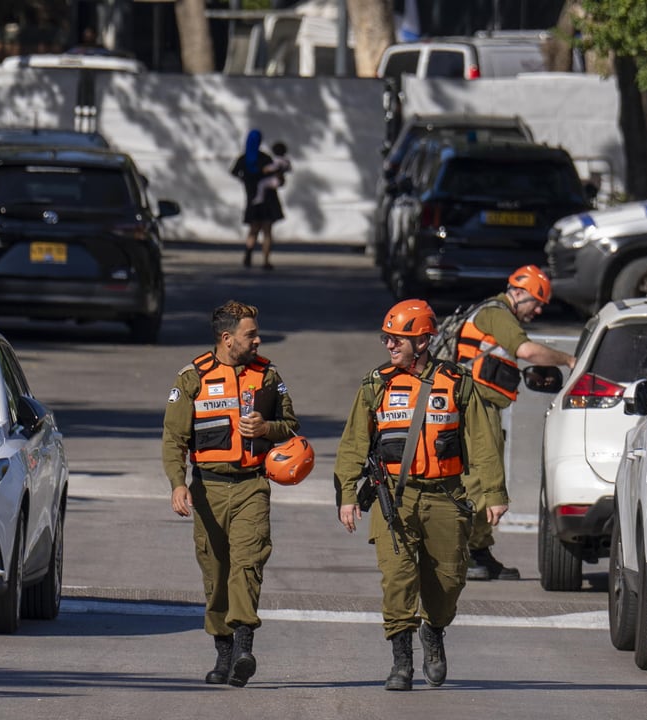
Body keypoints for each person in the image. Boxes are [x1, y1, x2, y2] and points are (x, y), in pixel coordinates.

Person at [334, 299, 508, 691]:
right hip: (393, 499)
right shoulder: (375, 385)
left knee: (447, 583)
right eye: (387, 338)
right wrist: (347, 493)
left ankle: (435, 631)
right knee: (397, 579)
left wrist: (494, 492)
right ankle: (401, 663)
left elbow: (482, 440)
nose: (390, 346)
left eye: (399, 339)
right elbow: (352, 444)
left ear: (425, 341)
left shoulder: (457, 382)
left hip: (446, 497)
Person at [162, 300, 300, 687]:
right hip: (207, 489)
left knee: (247, 564)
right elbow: (174, 438)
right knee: (216, 573)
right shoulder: (193, 378)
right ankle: (223, 653)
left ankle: (243, 645)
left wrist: (267, 429)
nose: (258, 340)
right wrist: (177, 484)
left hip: (251, 486)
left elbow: (290, 424)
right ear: (227, 338)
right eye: (250, 334)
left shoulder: (268, 375)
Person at [455, 264, 576, 581]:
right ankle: (464, 552)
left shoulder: (494, 315)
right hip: (475, 408)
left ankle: (478, 550)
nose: (537, 310)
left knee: (485, 477)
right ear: (518, 292)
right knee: (480, 480)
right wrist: (568, 360)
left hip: (481, 406)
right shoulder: (497, 313)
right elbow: (527, 350)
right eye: (536, 301)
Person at [230, 130, 285, 270]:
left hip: (252, 198)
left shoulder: (243, 159)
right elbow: (277, 175)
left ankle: (248, 253)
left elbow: (233, 171)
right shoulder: (265, 158)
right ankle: (266, 260)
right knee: (267, 231)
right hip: (268, 199)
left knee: (253, 229)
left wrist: (245, 179)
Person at [253, 141, 291, 206]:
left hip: (276, 180)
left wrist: (266, 168)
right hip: (282, 180)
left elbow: (274, 167)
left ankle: (260, 198)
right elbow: (289, 169)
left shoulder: (278, 159)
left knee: (261, 184)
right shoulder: (286, 160)